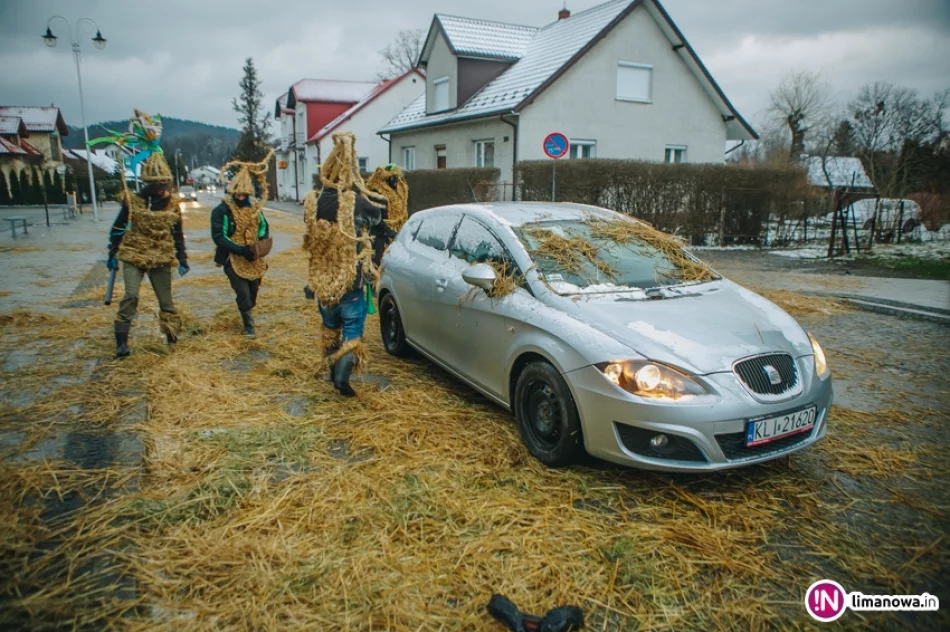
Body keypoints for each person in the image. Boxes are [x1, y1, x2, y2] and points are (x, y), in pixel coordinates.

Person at [303, 133, 395, 396]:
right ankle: (342, 378)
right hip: (351, 284)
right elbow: (378, 218)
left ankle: (333, 371)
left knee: (330, 328)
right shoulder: (355, 202)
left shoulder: (312, 203)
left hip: (323, 285)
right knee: (352, 330)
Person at [108, 151, 189, 357]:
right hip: (134, 254)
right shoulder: (134, 203)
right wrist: (112, 253)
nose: (164, 190)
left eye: (166, 185)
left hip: (160, 256)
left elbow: (177, 234)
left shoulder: (173, 206)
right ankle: (122, 342)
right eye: (159, 186)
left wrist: (182, 258)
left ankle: (171, 337)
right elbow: (117, 229)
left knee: (166, 301)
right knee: (131, 295)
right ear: (151, 185)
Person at [210, 151, 274, 337]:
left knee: (253, 289)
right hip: (233, 257)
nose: (240, 197)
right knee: (243, 292)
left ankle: (248, 309)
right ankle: (248, 325)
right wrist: (240, 250)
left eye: (243, 194)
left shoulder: (254, 208)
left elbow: (263, 226)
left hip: (253, 256)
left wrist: (259, 243)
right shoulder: (221, 210)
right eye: (237, 194)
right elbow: (219, 237)